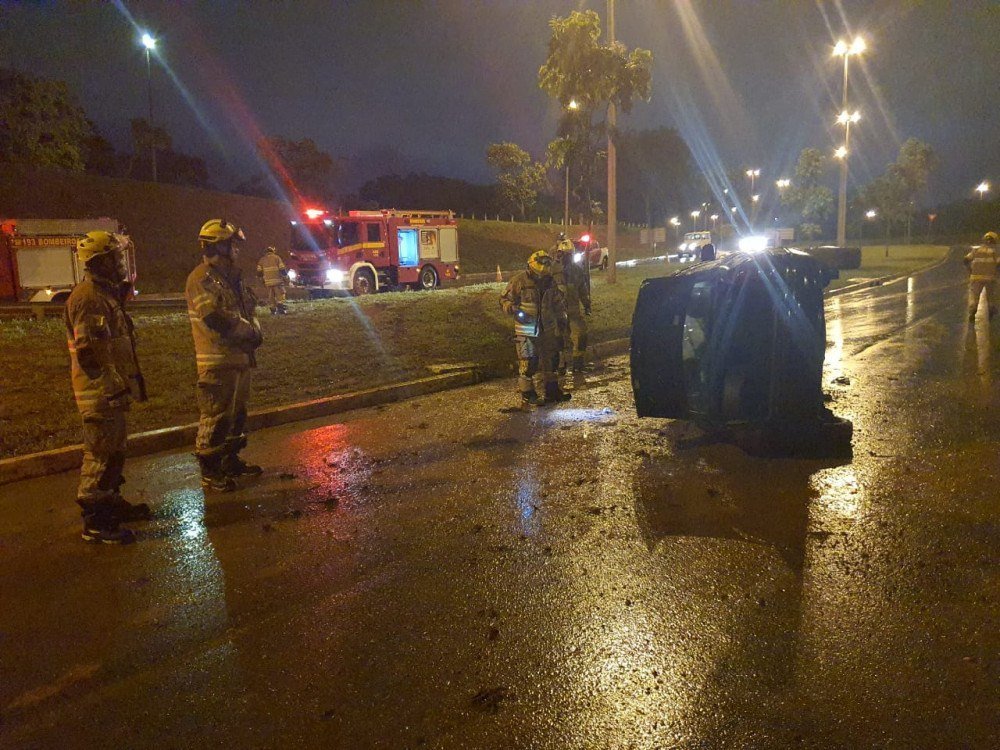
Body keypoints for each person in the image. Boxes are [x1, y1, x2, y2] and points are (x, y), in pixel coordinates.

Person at [65, 231, 149, 543]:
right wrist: (111, 384)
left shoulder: (103, 294)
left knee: (114, 451)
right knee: (100, 455)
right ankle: (96, 521)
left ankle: (111, 502)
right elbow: (90, 350)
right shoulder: (88, 298)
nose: (120, 263)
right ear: (99, 262)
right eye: (115, 258)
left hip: (111, 392)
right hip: (99, 394)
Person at [185, 219, 264, 491]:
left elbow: (246, 308)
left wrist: (255, 330)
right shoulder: (201, 278)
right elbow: (214, 317)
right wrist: (248, 331)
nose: (237, 249)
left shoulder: (231, 277)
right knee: (216, 417)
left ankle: (230, 460)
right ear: (219, 245)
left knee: (237, 414)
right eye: (233, 244)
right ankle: (210, 470)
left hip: (239, 357)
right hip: (217, 360)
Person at [500, 250, 572, 409]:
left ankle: (552, 392)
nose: (544, 269)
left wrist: (562, 321)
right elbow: (504, 299)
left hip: (547, 328)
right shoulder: (519, 281)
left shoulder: (550, 282)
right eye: (542, 264)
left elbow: (558, 303)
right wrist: (512, 308)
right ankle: (527, 394)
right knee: (528, 361)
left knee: (552, 360)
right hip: (526, 329)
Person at [551, 237, 592, 374]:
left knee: (581, 335)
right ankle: (560, 365)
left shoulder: (577, 271)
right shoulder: (551, 270)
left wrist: (587, 305)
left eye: (569, 254)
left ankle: (578, 364)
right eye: (564, 254)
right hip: (556, 313)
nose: (566, 257)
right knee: (557, 338)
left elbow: (582, 290)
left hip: (573, 311)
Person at [964, 232, 999, 322]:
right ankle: (991, 312)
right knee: (991, 296)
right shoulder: (995, 251)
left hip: (976, 277)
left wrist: (970, 270)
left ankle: (972, 312)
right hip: (990, 278)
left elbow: (966, 259)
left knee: (974, 296)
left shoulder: (976, 250)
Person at [256, 245, 288, 314]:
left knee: (271, 296)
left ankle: (273, 310)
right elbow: (282, 269)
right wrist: (286, 276)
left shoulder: (262, 260)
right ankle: (281, 309)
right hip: (277, 281)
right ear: (273, 251)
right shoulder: (277, 258)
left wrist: (263, 279)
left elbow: (259, 272)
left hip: (268, 282)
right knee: (280, 295)